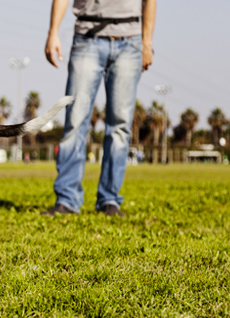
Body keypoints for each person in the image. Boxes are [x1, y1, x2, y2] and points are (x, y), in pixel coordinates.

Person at [41, 0, 156, 217]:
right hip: (87, 37)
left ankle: (109, 200)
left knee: (120, 126)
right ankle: (67, 200)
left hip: (130, 41)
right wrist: (53, 32)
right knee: (75, 121)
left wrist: (147, 43)